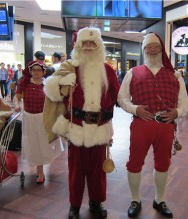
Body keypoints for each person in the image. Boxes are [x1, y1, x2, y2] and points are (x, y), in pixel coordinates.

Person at [44, 27, 120, 219]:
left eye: (92, 43)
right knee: (76, 170)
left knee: (97, 171)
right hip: (76, 127)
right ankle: (75, 206)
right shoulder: (70, 67)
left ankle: (96, 202)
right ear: (78, 46)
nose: (88, 46)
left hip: (100, 128)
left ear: (98, 46)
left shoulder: (108, 71)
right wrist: (61, 83)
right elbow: (52, 92)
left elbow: (117, 96)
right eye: (84, 43)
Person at [117, 32, 188, 218]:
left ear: (161, 49)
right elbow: (122, 98)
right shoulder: (133, 72)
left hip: (166, 126)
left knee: (163, 163)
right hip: (141, 124)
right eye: (149, 46)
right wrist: (135, 109)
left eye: (156, 46)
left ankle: (160, 199)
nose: (152, 49)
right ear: (144, 50)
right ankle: (135, 199)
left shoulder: (175, 75)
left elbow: (185, 104)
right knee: (134, 163)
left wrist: (177, 113)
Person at [14, 61, 64, 184]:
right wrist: (16, 104)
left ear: (43, 72)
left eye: (38, 70)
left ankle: (40, 169)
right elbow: (17, 96)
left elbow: (55, 99)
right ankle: (39, 168)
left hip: (43, 118)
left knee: (43, 143)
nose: (36, 72)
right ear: (30, 71)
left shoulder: (47, 84)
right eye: (34, 70)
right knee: (33, 143)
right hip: (29, 118)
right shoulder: (24, 83)